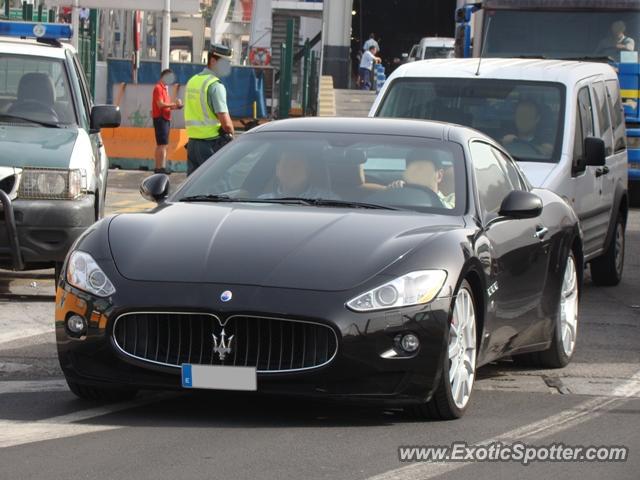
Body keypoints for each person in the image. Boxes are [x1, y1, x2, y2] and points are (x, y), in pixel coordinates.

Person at [184, 44, 235, 176]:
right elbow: (227, 125)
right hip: (210, 145)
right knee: (218, 185)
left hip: (192, 144)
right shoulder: (215, 86)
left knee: (194, 187)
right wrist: (233, 138)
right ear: (213, 61)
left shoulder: (192, 81)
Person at [388, 150, 455, 208]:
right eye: (412, 171)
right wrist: (394, 192)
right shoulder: (400, 197)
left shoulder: (453, 199)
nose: (417, 175)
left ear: (439, 175)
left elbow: (448, 211)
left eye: (423, 170)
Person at [261, 149, 336, 199]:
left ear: (308, 171)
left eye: (296, 167)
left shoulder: (330, 200)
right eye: (285, 165)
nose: (290, 171)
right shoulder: (261, 202)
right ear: (277, 170)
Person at [151, 68, 183, 174]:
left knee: (162, 144)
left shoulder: (164, 89)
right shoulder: (158, 88)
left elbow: (166, 106)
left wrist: (176, 106)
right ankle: (160, 167)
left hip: (164, 118)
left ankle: (160, 167)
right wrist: (174, 104)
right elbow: (160, 104)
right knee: (162, 145)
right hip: (161, 118)